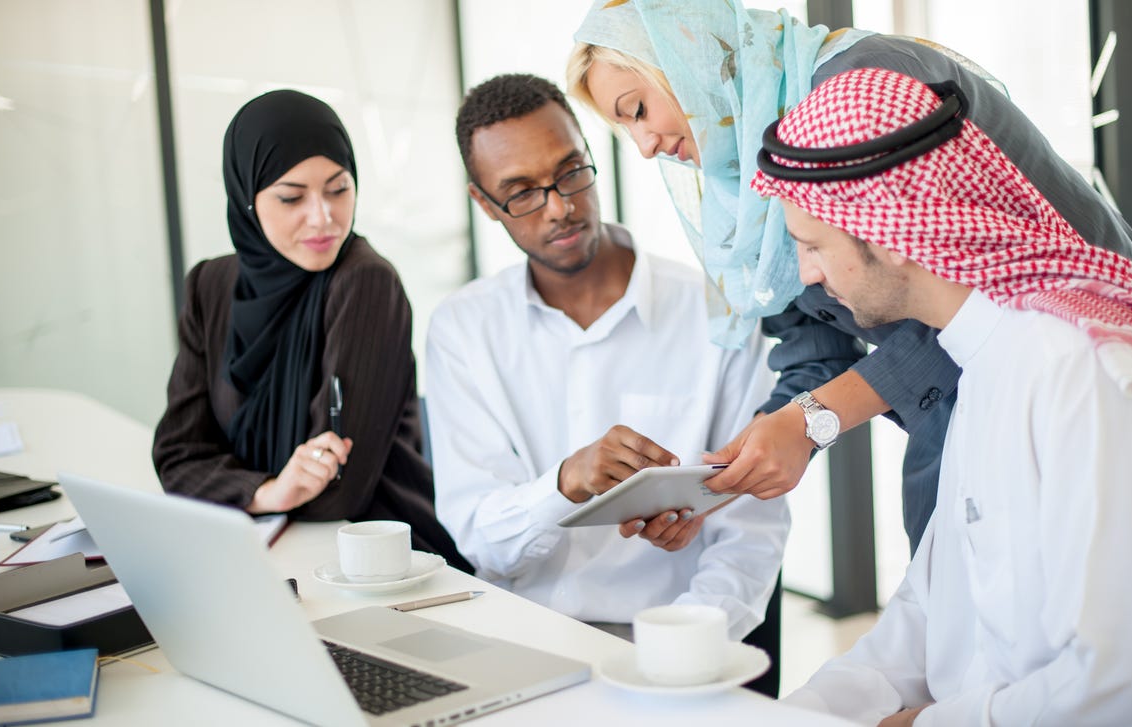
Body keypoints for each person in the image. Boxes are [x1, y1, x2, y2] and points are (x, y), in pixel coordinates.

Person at [568, 0, 1132, 551]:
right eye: (624, 130)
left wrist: (811, 420)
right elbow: (814, 349)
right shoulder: (739, 187)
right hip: (948, 405)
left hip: (1079, 366)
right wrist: (732, 474)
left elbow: (960, 292)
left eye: (638, 109)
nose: (644, 146)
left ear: (689, 55)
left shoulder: (864, 90)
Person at [754, 67, 1132, 726]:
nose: (808, 274)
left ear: (891, 231)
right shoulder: (982, 361)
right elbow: (923, 616)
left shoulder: (1080, 370)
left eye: (812, 246)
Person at [428, 73, 789, 694]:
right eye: (521, 193)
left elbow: (751, 533)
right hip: (521, 649)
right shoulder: (463, 329)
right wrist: (565, 483)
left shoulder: (716, 310)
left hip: (673, 647)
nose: (561, 207)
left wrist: (680, 651)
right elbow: (481, 538)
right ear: (483, 203)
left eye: (571, 173)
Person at [151, 89, 470, 571]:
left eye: (339, 189)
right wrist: (270, 491)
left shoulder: (364, 282)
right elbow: (176, 460)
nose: (323, 217)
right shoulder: (210, 286)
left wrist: (236, 488)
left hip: (376, 562)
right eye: (291, 197)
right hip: (263, 550)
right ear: (247, 199)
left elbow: (339, 493)